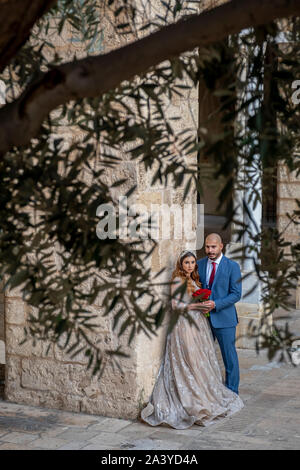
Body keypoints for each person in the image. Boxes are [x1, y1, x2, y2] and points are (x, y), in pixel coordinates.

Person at [140, 250, 244, 430]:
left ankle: (202, 394)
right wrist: (197, 305)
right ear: (181, 264)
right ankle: (189, 400)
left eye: (192, 262)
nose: (190, 265)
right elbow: (175, 305)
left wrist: (204, 306)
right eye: (186, 262)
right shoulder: (177, 280)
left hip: (198, 325)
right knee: (187, 360)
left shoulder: (194, 280)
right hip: (184, 325)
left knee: (199, 360)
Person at [197, 233, 242, 395]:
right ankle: (208, 390)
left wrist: (216, 304)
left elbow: (236, 294)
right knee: (204, 356)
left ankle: (232, 391)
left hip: (225, 319)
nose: (210, 250)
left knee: (229, 358)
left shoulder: (232, 266)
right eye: (207, 247)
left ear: (221, 246)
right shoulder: (199, 264)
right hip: (203, 319)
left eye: (213, 246)